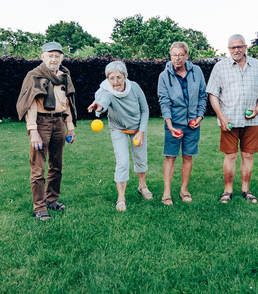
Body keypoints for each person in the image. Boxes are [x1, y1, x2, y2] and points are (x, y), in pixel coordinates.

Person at [206, 34, 258, 204]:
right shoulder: (220, 67)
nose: (236, 50)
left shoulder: (256, 65)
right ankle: (227, 190)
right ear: (228, 49)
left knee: (248, 155)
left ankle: (245, 189)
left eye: (239, 47)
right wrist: (221, 117)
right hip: (229, 120)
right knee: (230, 156)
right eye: (232, 47)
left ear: (245, 47)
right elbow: (213, 94)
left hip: (252, 121)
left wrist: (257, 109)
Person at [16, 42, 77, 221]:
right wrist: (32, 130)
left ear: (61, 58)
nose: (53, 59)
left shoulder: (65, 76)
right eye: (50, 55)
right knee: (38, 168)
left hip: (59, 122)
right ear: (42, 56)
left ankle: (52, 200)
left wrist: (70, 127)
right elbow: (30, 105)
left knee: (57, 166)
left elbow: (67, 103)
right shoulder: (34, 76)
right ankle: (40, 207)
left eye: (57, 56)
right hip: (41, 123)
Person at [87, 61, 153, 212]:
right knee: (122, 161)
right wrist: (99, 106)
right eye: (111, 78)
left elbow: (145, 109)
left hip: (137, 128)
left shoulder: (134, 87)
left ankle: (142, 186)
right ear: (107, 79)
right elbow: (103, 101)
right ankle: (121, 197)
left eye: (119, 77)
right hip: (118, 129)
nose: (115, 82)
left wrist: (142, 131)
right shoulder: (106, 91)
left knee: (140, 158)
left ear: (125, 76)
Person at [157, 42, 207, 206]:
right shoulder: (164, 76)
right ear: (170, 56)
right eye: (173, 55)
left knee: (188, 157)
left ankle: (184, 190)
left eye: (180, 55)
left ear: (186, 56)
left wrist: (199, 117)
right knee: (170, 157)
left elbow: (202, 96)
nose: (177, 58)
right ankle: (166, 193)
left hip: (193, 124)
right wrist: (169, 125)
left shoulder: (197, 71)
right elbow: (164, 102)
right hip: (174, 124)